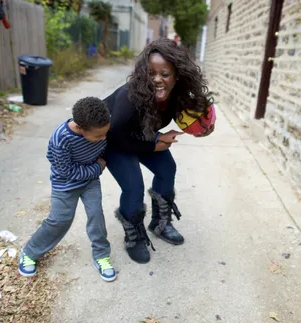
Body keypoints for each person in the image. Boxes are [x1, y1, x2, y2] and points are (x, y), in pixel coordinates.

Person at [104, 38, 215, 264]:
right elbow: (117, 135)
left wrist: (204, 128)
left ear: (177, 75)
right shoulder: (129, 96)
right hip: (113, 139)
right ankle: (133, 234)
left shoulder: (178, 95)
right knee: (133, 185)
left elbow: (194, 118)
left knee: (166, 168)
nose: (157, 80)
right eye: (151, 73)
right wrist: (154, 143)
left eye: (165, 74)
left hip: (141, 135)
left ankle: (160, 223)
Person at [18, 97, 116, 282]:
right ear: (80, 128)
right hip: (65, 184)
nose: (103, 138)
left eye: (105, 134)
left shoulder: (100, 127)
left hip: (90, 182)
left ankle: (101, 256)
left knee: (96, 215)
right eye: (97, 136)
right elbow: (66, 170)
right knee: (59, 220)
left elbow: (103, 147)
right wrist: (97, 168)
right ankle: (29, 252)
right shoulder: (60, 138)